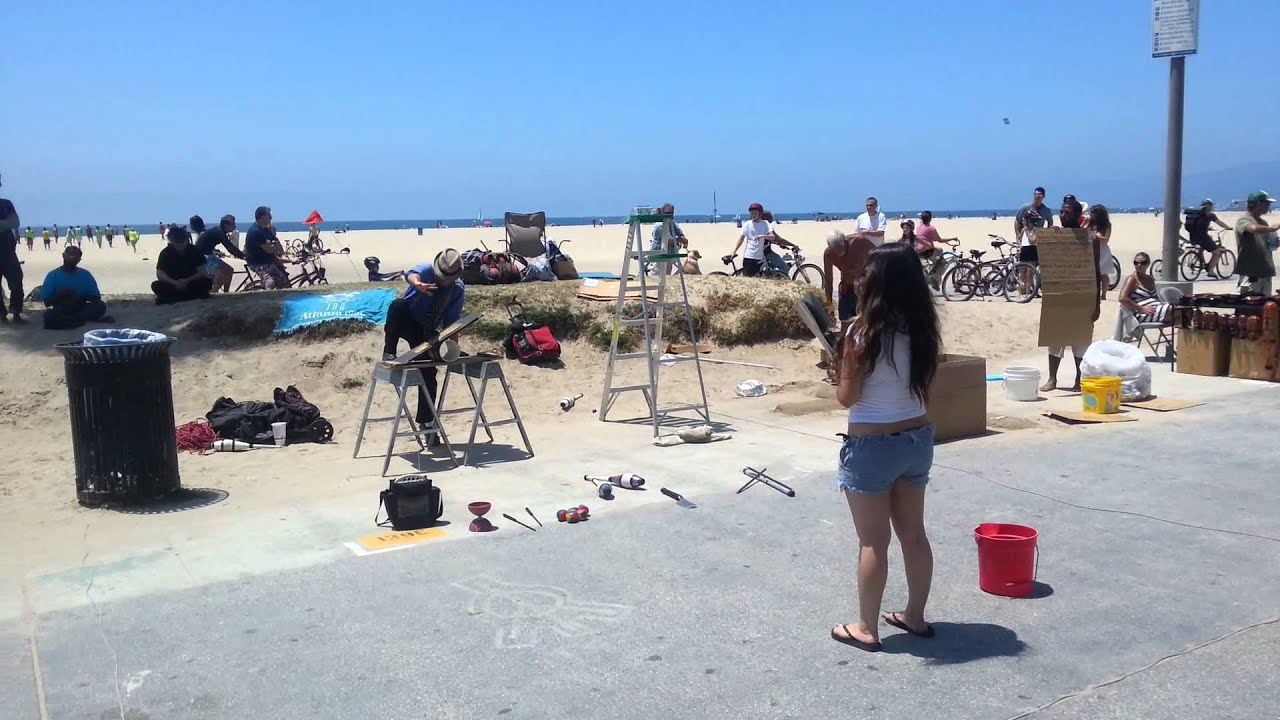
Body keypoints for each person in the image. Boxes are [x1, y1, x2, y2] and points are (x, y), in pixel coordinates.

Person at [830, 242, 940, 653]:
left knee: (873, 541)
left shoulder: (860, 331)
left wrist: (839, 370)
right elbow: (926, 394)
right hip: (917, 438)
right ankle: (914, 615)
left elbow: (847, 398)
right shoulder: (925, 331)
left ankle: (866, 627)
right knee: (914, 535)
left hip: (872, 444)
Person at [382, 249, 465, 435]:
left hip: (426, 331)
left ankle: (427, 423)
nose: (444, 280)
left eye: (448, 278)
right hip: (408, 318)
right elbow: (410, 274)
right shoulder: (427, 270)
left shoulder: (457, 289)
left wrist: (454, 347)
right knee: (397, 306)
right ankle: (389, 350)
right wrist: (418, 284)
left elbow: (452, 322)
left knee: (429, 373)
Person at [39, 246, 112, 329]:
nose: (73, 259)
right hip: (61, 308)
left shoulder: (85, 274)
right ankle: (73, 320)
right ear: (63, 255)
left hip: (81, 306)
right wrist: (61, 295)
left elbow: (96, 297)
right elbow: (47, 302)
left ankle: (72, 320)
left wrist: (79, 296)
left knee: (100, 305)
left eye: (77, 258)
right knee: (48, 315)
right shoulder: (52, 275)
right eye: (71, 256)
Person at [1114, 252, 1170, 341]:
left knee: (1184, 312)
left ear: (1148, 264)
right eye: (1136, 263)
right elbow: (1122, 298)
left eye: (1142, 263)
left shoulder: (1150, 279)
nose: (1139, 265)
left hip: (1156, 310)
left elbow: (1155, 297)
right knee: (1175, 312)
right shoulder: (1132, 279)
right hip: (1142, 313)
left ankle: (1184, 346)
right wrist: (1141, 308)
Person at [823, 229, 875, 326]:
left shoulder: (859, 241)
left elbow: (878, 255)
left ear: (845, 241)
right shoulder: (829, 254)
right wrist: (829, 303)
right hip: (846, 286)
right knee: (846, 322)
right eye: (835, 249)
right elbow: (828, 279)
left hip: (864, 285)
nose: (839, 251)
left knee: (866, 321)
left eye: (841, 247)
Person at [152, 225, 214, 304]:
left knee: (207, 282)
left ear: (186, 240)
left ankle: (176, 298)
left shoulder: (195, 251)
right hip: (172, 283)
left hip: (191, 281)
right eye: (177, 242)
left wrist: (187, 281)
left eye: (182, 242)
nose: (180, 245)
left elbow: (203, 272)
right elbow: (160, 273)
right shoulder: (165, 253)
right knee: (156, 285)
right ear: (172, 241)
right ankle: (188, 296)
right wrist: (174, 283)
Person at [1234, 191, 1278, 295]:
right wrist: (1272, 228)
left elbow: (1268, 244)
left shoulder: (1263, 222)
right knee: (1248, 305)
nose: (1268, 206)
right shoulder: (1244, 219)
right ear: (1258, 204)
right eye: (1266, 203)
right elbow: (1252, 228)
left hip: (1265, 271)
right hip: (1251, 273)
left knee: (1266, 306)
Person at [197, 214, 245, 292]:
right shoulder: (219, 232)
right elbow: (230, 248)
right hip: (202, 257)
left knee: (229, 270)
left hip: (209, 255)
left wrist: (216, 252)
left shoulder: (219, 231)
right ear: (226, 225)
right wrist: (244, 256)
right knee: (223, 276)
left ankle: (226, 293)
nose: (235, 226)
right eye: (233, 224)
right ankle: (212, 293)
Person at [244, 206, 289, 289]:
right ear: (262, 217)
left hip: (267, 261)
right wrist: (274, 246)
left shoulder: (265, 229)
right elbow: (269, 250)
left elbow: (278, 245)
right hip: (257, 263)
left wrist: (274, 246)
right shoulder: (256, 231)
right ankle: (267, 297)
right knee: (270, 281)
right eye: (269, 215)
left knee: (284, 280)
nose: (271, 218)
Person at [1185, 199, 1232, 277]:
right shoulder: (1210, 215)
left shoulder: (1196, 214)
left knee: (1203, 245)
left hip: (1193, 236)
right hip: (1203, 237)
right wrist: (1228, 228)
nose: (1212, 207)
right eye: (1211, 206)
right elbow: (1220, 223)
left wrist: (1208, 228)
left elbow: (1198, 224)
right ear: (1208, 206)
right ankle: (1210, 271)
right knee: (1217, 252)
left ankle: (1201, 262)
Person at [0, 177, 24, 324]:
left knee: (16, 282)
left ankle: (16, 312)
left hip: (8, 251)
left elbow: (15, 222)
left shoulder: (5, 204)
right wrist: (5, 225)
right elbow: (10, 223)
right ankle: (1, 315)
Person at [728, 203, 772, 276]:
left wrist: (762, 236)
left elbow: (772, 237)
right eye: (751, 213)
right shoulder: (747, 224)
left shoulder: (765, 223)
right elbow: (741, 239)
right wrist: (734, 251)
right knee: (747, 279)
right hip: (748, 256)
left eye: (755, 213)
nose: (753, 215)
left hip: (759, 257)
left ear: (760, 213)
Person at [1013, 187, 1054, 264]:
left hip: (1036, 237)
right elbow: (1017, 221)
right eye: (1036, 195)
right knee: (1023, 261)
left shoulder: (1046, 210)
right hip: (1024, 237)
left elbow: (1050, 223)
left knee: (1035, 261)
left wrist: (1046, 235)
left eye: (1039, 195)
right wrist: (1018, 235)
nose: (1037, 197)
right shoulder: (1025, 208)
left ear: (1043, 196)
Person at [647, 203, 688, 274]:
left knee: (667, 275)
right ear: (662, 212)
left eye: (671, 213)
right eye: (667, 213)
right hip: (658, 254)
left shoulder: (672, 223)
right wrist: (680, 239)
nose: (670, 215)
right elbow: (668, 240)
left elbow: (680, 233)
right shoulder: (659, 225)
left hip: (670, 252)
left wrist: (683, 239)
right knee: (658, 275)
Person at [761, 210, 801, 275]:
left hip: (761, 253)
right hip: (767, 253)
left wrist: (780, 244)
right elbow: (778, 238)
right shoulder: (767, 226)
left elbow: (769, 239)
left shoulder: (760, 226)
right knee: (784, 267)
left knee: (775, 262)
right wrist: (793, 245)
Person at [1087, 204, 1114, 300]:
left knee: (1103, 273)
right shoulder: (1091, 223)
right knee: (1092, 273)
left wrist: (1094, 236)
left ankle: (1104, 294)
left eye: (1093, 213)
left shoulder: (1106, 225)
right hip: (1091, 248)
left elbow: (1105, 239)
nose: (1091, 214)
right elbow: (1083, 232)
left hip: (1102, 249)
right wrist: (1085, 224)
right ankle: (1094, 293)